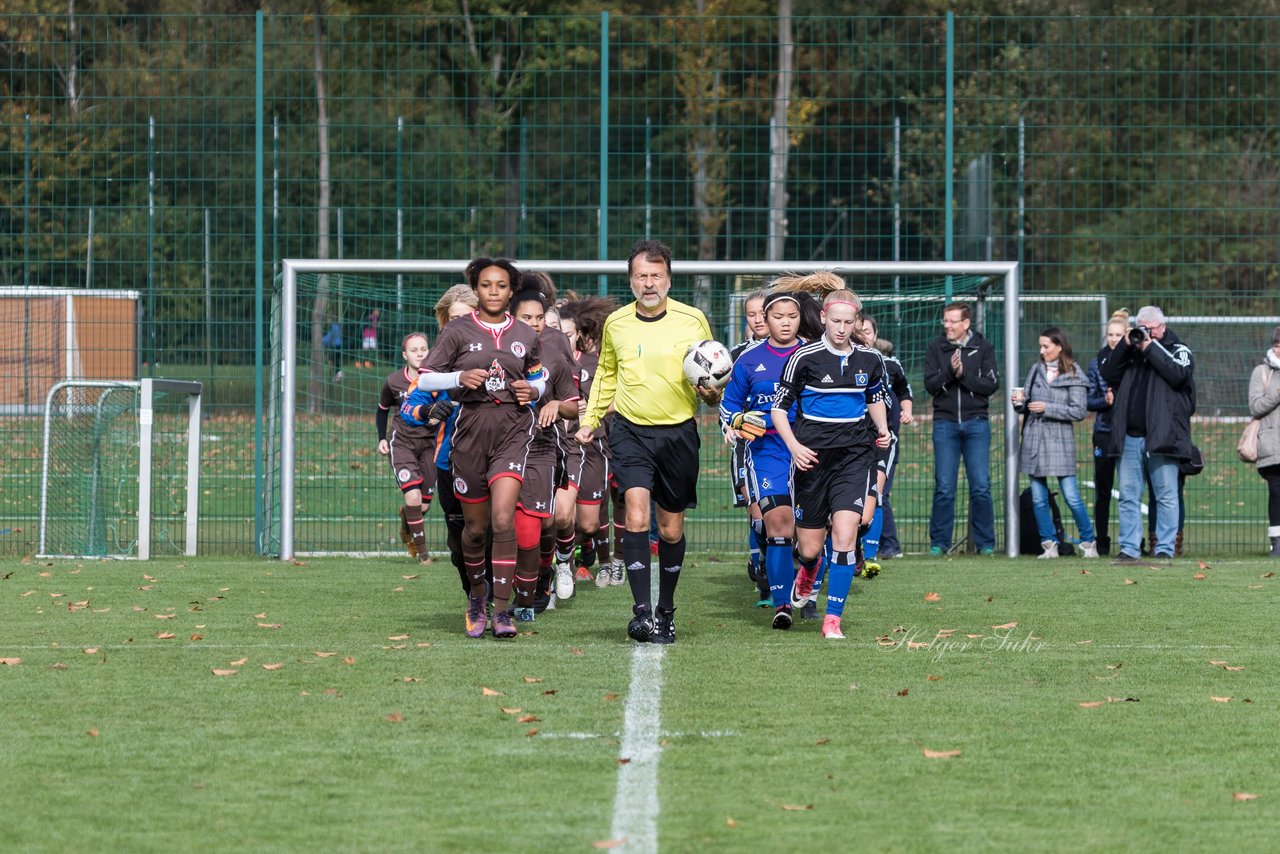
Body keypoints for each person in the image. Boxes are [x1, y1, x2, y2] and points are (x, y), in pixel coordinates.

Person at [575, 239, 721, 644]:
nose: (650, 283)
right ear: (631, 280)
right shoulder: (617, 323)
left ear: (669, 279)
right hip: (630, 430)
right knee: (636, 515)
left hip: (678, 432)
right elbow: (606, 373)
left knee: (670, 530)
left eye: (657, 275)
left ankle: (666, 611)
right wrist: (590, 419)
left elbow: (710, 375)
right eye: (642, 275)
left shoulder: (693, 320)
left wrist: (712, 395)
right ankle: (641, 613)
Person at [417, 257, 547, 639]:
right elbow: (425, 379)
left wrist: (533, 390)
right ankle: (478, 596)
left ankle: (503, 611)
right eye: (486, 285)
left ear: (511, 290)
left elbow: (539, 377)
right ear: (477, 289)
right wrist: (460, 376)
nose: (494, 291)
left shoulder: (525, 335)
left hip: (512, 431)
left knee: (504, 518)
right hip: (470, 431)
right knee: (474, 530)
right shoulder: (457, 331)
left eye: (502, 285)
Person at [771, 290, 890, 640]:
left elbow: (874, 398)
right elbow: (779, 408)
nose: (841, 328)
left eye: (848, 322)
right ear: (823, 318)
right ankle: (809, 568)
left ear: (857, 322)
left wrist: (882, 429)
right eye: (835, 321)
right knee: (809, 547)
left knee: (845, 534)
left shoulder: (870, 359)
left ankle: (832, 619)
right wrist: (794, 446)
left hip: (854, 457)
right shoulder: (803, 357)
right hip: (812, 460)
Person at [720, 289, 803, 629]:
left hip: (809, 448)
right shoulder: (749, 360)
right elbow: (729, 406)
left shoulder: (810, 354)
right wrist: (738, 422)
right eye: (777, 317)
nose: (784, 323)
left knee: (812, 534)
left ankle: (808, 580)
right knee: (778, 522)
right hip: (766, 449)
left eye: (791, 317)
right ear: (764, 321)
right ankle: (782, 602)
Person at [1098, 305, 1195, 564]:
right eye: (1141, 329)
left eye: (1150, 329)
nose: (1145, 334)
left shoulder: (1178, 349)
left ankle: (1164, 548)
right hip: (1129, 436)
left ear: (1162, 328)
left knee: (1165, 495)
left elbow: (1179, 375)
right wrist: (1126, 344)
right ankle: (1129, 549)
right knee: (1128, 495)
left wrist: (1150, 347)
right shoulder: (1130, 352)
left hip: (1163, 437)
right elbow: (1107, 371)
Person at [510, 282, 580, 616]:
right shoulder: (495, 346)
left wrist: (553, 404)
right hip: (498, 447)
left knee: (549, 519)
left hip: (543, 445)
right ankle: (496, 592)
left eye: (540, 317)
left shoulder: (555, 348)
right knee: (498, 522)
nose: (535, 324)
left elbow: (572, 403)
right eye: (527, 317)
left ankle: (544, 576)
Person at [1012, 327, 1098, 559]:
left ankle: (1089, 542)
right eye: (1040, 346)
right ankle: (1049, 545)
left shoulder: (1074, 374)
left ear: (1059, 347)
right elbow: (1025, 401)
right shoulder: (1035, 369)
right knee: (1039, 498)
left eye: (1046, 346)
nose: (1042, 351)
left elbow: (1079, 411)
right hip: (1034, 441)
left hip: (1059, 442)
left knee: (1071, 496)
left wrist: (1048, 408)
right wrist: (1018, 403)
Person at [923, 301, 999, 556]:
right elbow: (931, 384)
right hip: (945, 424)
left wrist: (963, 375)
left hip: (976, 423)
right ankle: (939, 543)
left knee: (980, 486)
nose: (948, 326)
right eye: (946, 321)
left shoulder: (983, 347)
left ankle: (985, 543)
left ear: (966, 323)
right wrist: (950, 372)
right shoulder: (936, 347)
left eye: (953, 321)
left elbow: (991, 384)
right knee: (944, 486)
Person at [559, 296, 623, 587]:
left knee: (588, 523)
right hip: (561, 445)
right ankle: (562, 569)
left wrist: (591, 408)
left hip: (594, 444)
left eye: (567, 334)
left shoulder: (595, 364)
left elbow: (617, 398)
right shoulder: (546, 365)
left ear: (579, 336)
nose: (561, 339)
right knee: (563, 516)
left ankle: (598, 556)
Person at [376, 331, 450, 566]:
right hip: (402, 443)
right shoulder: (393, 381)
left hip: (429, 445)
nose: (419, 353)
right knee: (414, 496)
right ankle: (424, 556)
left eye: (423, 349)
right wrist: (381, 438)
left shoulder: (437, 379)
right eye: (414, 350)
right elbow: (382, 409)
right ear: (404, 355)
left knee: (424, 504)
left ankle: (406, 520)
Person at [429, 285, 480, 594]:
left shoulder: (497, 349)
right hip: (449, 461)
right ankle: (475, 598)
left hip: (493, 457)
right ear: (444, 321)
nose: (461, 324)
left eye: (468, 317)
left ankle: (515, 592)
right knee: (460, 543)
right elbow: (411, 402)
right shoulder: (437, 360)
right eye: (455, 318)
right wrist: (429, 409)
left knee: (495, 532)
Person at [857, 315, 913, 569]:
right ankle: (851, 548)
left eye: (866, 331)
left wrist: (907, 409)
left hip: (883, 438)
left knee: (876, 493)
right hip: (853, 438)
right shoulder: (845, 362)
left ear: (875, 334)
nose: (862, 335)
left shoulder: (890, 364)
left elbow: (904, 389)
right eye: (859, 331)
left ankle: (871, 556)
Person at [727, 290, 771, 605]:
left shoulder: (794, 350)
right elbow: (725, 400)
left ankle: (777, 570)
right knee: (757, 515)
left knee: (782, 514)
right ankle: (763, 572)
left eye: (762, 313)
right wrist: (729, 426)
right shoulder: (737, 354)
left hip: (783, 443)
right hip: (746, 445)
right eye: (751, 314)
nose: (757, 319)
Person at [1086, 310, 1129, 556]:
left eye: (1118, 335)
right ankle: (1101, 541)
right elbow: (1088, 401)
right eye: (1110, 335)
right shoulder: (1096, 362)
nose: (1113, 339)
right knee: (1103, 490)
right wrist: (1105, 401)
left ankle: (1130, 542)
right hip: (1103, 432)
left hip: (1129, 434)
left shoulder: (1133, 361)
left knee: (1129, 490)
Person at [1248, 325, 1280, 557]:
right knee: (1277, 493)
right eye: (1277, 346)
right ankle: (1277, 542)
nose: (1279, 351)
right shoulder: (1261, 372)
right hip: (1272, 446)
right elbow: (1256, 406)